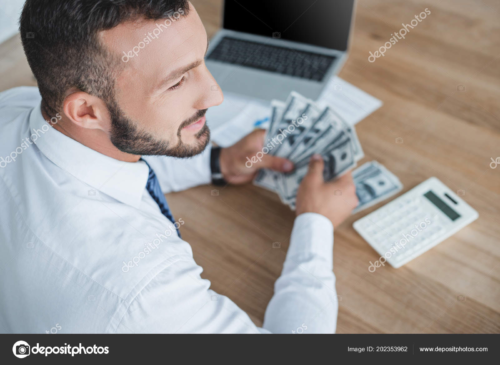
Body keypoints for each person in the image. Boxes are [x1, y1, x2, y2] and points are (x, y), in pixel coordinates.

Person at [0, 0, 358, 333]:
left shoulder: (17, 108)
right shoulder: (144, 293)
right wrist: (316, 222)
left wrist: (219, 162)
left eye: (202, 61)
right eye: (176, 81)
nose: (215, 94)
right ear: (87, 111)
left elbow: (114, 159)